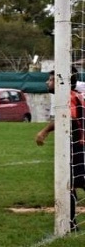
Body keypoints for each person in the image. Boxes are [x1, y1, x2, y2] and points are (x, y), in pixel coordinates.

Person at [35, 69, 85, 230]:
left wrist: (44, 131)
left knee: (69, 183)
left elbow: (67, 118)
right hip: (77, 145)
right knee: (71, 183)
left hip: (78, 146)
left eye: (50, 80)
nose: (47, 83)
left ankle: (69, 224)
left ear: (61, 81)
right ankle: (71, 224)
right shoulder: (74, 95)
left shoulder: (69, 96)